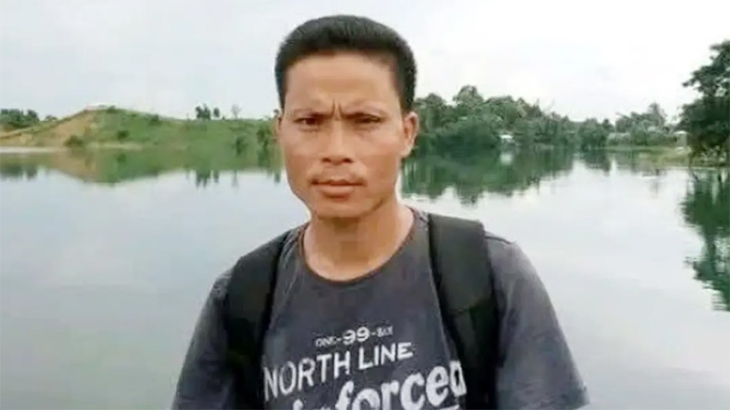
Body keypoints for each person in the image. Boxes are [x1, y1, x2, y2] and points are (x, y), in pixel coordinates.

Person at [171, 14, 589, 410]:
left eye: (365, 120)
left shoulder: (489, 273)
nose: (336, 150)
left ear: (407, 133)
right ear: (280, 131)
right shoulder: (242, 298)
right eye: (310, 121)